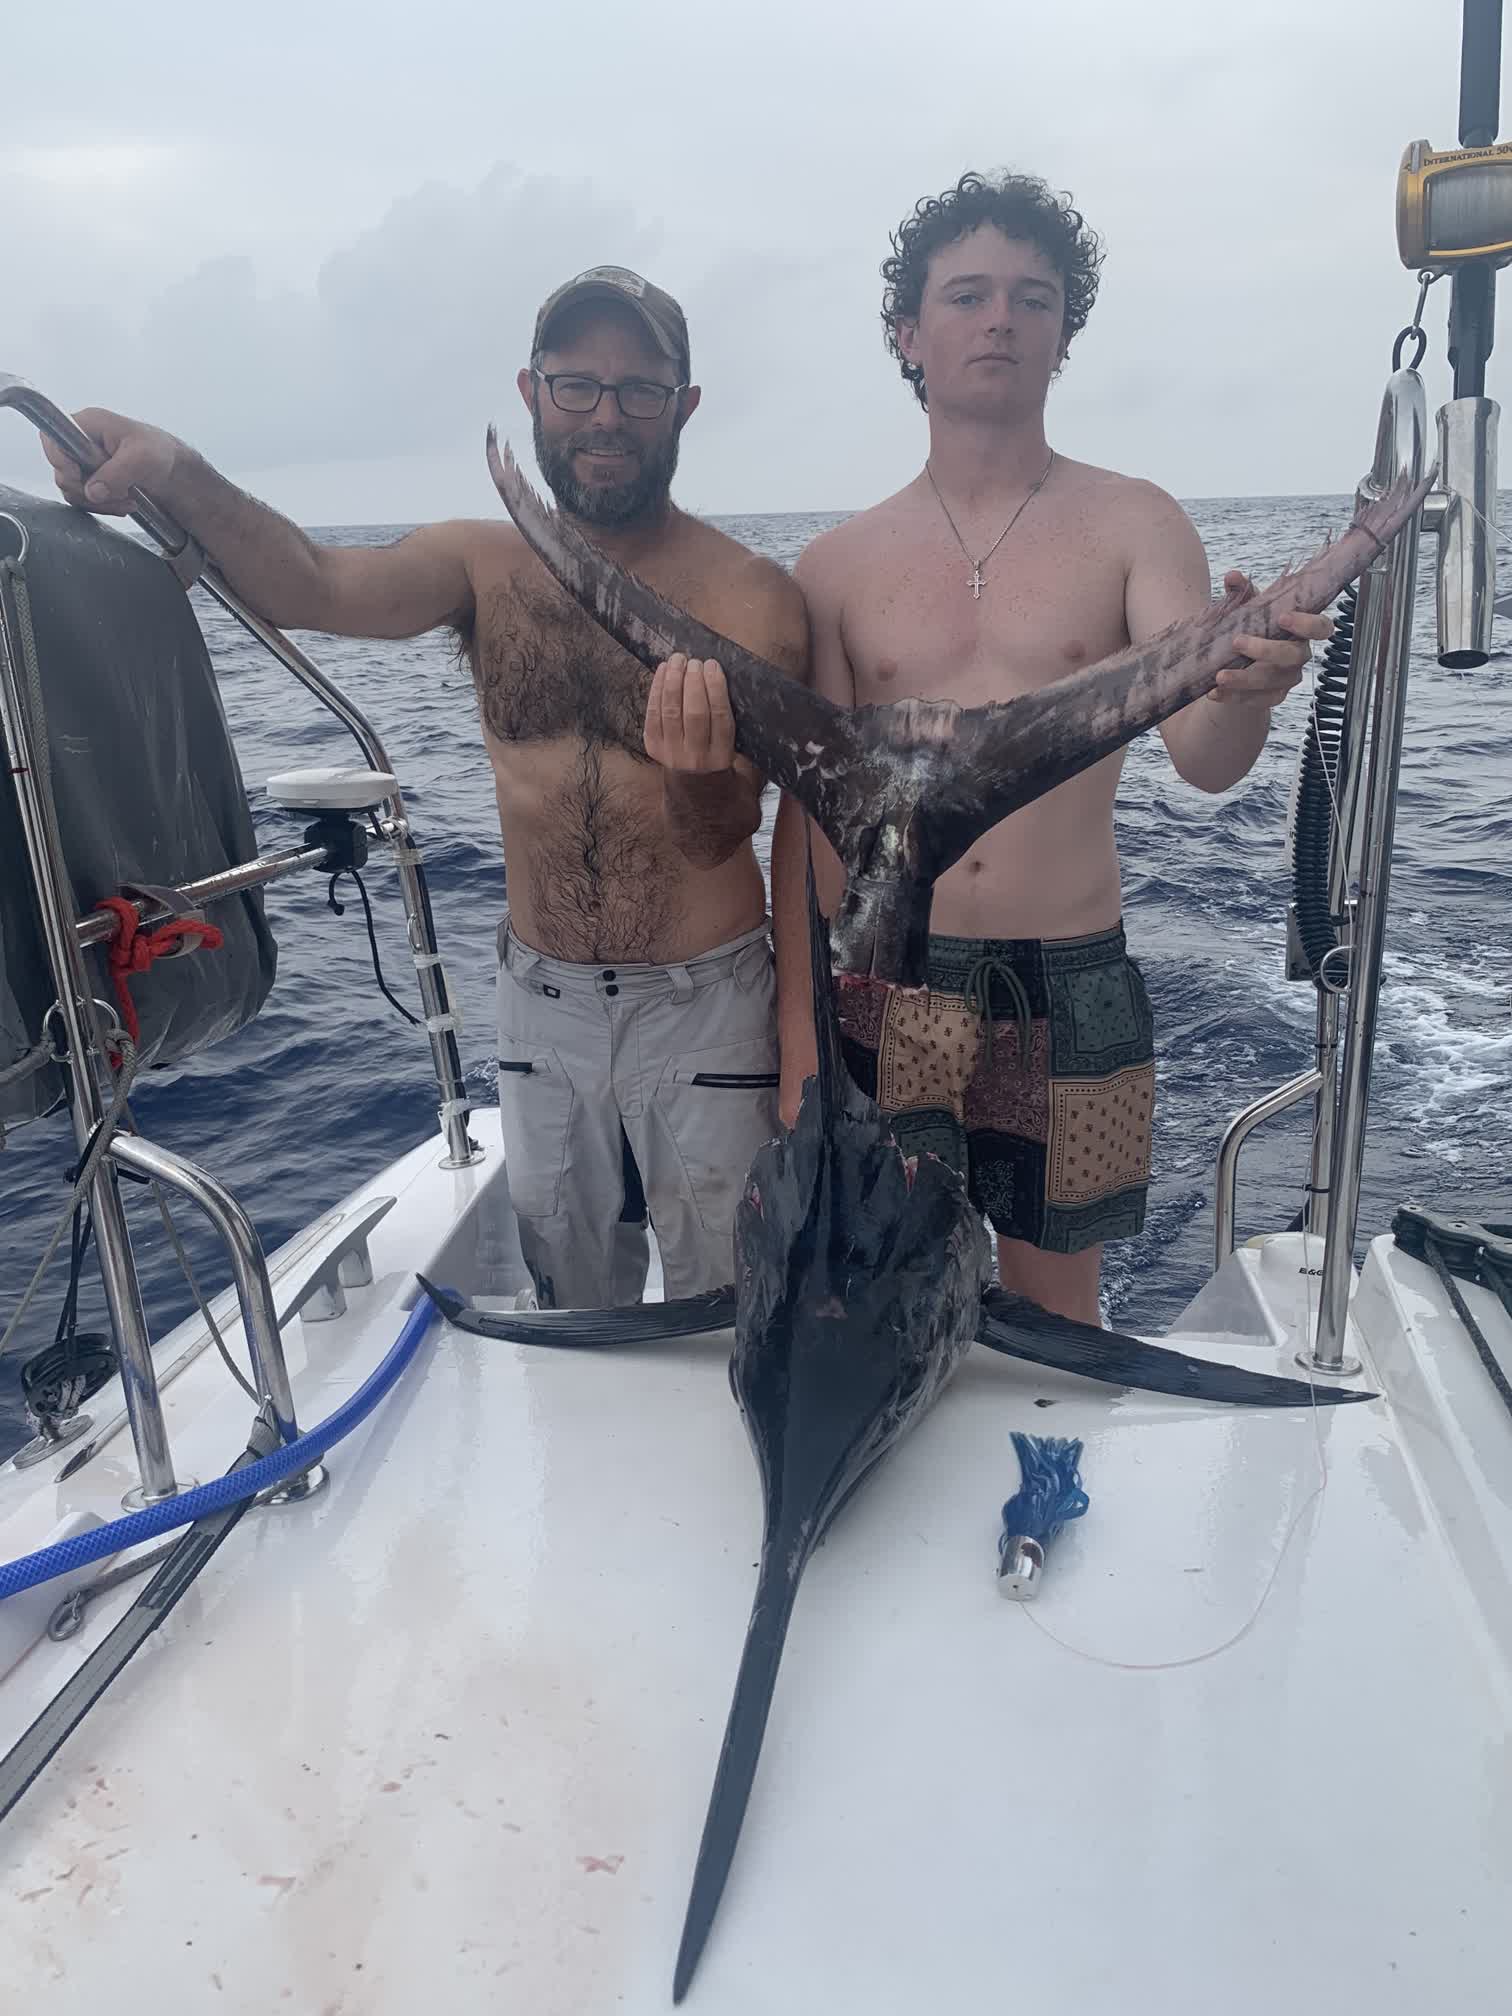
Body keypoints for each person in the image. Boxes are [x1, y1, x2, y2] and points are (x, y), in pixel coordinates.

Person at [44, 265, 807, 1310]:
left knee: (733, 1297)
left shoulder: (751, 597)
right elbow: (311, 583)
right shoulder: (480, 562)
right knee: (572, 1299)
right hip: (542, 1007)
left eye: (639, 390)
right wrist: (171, 470)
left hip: (705, 1006)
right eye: (576, 385)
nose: (606, 417)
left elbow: (727, 835)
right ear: (532, 394)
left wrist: (695, 778)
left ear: (685, 407)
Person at [762, 171, 1331, 1327]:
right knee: (882, 1292)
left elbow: (1207, 759)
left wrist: (1254, 687)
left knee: (1059, 1315)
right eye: (967, 294)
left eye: (1033, 296)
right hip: (889, 980)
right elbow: (812, 827)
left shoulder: (1136, 521)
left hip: (1070, 977)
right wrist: (798, 1029)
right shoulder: (835, 565)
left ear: (1064, 329)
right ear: (907, 333)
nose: (1001, 318)